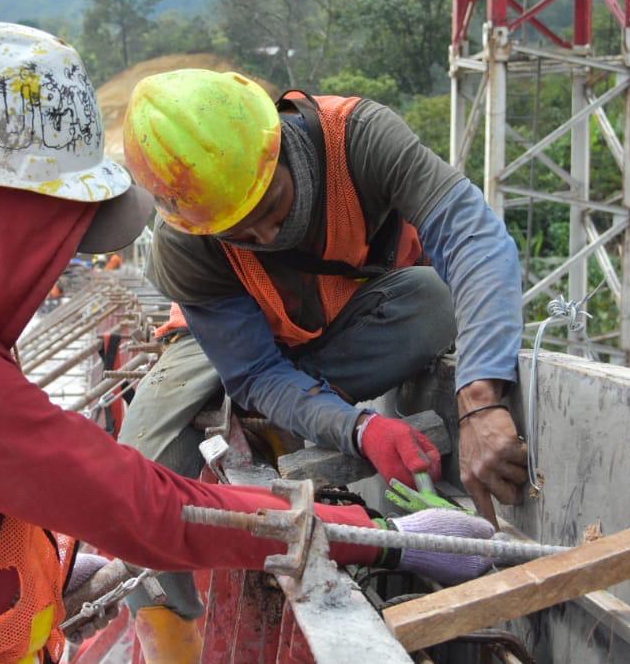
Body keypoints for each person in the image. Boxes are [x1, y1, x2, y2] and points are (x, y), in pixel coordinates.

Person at [0, 23, 496, 664]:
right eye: (57, 239)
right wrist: (376, 531)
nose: (63, 265)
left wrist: (47, 575)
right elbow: (146, 508)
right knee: (154, 449)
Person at [120, 70, 527, 521]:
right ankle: (168, 590)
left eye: (274, 205)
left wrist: (479, 398)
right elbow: (254, 371)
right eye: (240, 233)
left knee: (435, 300)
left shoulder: (360, 139)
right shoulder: (185, 241)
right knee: (140, 481)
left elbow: (474, 239)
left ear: (278, 148)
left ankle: (285, 412)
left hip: (337, 330)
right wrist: (358, 429)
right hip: (223, 352)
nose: (268, 234)